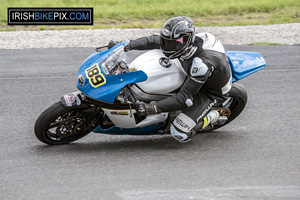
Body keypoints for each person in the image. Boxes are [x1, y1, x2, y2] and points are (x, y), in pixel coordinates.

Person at [110, 16, 232, 143]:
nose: (166, 46)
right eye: (166, 41)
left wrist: (151, 108)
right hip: (192, 70)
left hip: (210, 92)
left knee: (180, 132)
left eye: (171, 44)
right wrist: (126, 45)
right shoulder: (181, 43)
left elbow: (184, 99)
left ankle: (213, 116)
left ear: (185, 42)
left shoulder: (201, 64)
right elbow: (153, 40)